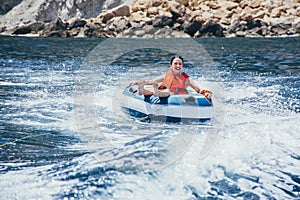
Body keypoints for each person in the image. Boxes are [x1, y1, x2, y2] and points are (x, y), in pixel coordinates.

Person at [130, 55, 212, 101]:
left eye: (180, 64)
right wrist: (138, 82)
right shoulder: (166, 75)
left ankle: (156, 92)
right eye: (175, 63)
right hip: (161, 90)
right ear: (171, 65)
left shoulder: (186, 78)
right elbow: (151, 81)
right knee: (150, 90)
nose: (178, 66)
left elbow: (198, 89)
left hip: (171, 94)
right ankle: (141, 90)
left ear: (182, 66)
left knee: (167, 91)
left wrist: (206, 93)